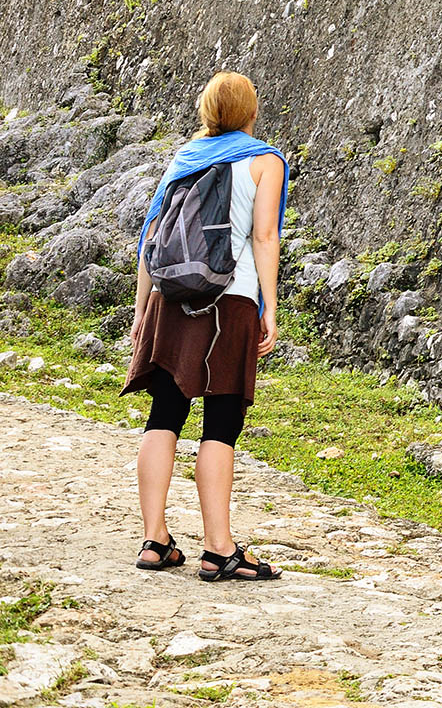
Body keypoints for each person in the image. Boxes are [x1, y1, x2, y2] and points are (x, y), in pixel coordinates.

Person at [121, 71, 289, 581]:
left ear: (206, 110)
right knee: (221, 423)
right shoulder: (265, 161)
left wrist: (141, 309)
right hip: (230, 301)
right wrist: (270, 308)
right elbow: (263, 237)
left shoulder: (185, 158)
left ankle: (155, 541)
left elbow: (152, 235)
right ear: (250, 112)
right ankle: (219, 549)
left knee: (164, 415)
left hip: (171, 302)